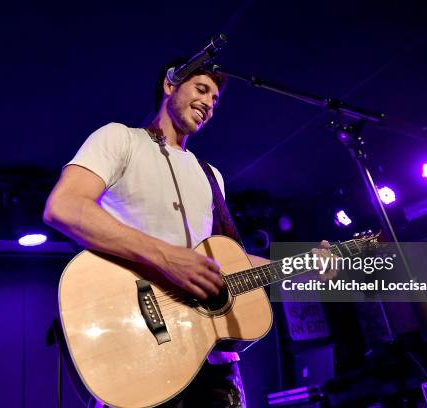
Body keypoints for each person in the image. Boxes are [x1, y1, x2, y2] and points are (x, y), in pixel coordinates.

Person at [43, 60, 335, 407]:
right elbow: (64, 207)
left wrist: (301, 265)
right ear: (170, 86)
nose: (210, 103)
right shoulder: (120, 138)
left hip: (212, 364)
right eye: (201, 89)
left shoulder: (211, 176)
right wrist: (168, 258)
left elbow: (226, 264)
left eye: (215, 99)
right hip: (139, 347)